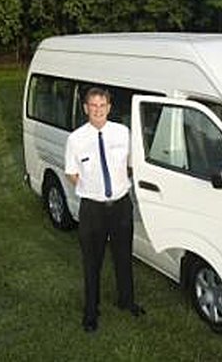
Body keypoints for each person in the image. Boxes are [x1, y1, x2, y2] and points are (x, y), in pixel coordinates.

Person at [65, 87, 145, 333]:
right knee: (92, 262)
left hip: (121, 206)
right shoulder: (76, 139)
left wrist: (118, 184)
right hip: (93, 210)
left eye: (102, 105)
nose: (98, 110)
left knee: (123, 256)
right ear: (85, 108)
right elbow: (71, 173)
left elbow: (131, 165)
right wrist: (92, 189)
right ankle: (91, 311)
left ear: (109, 108)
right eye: (93, 105)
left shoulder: (123, 133)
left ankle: (126, 301)